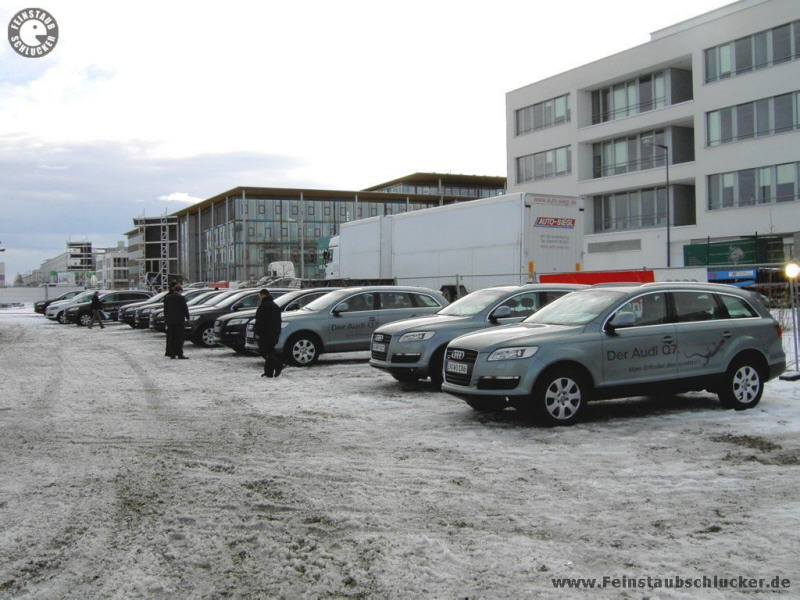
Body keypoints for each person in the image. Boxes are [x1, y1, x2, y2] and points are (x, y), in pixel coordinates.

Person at [254, 289, 284, 377]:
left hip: (265, 333)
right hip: (274, 333)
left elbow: (260, 321)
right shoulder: (275, 305)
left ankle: (278, 365)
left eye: (260, 296)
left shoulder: (264, 306)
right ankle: (268, 372)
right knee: (269, 351)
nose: (259, 298)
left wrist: (257, 333)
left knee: (264, 351)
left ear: (263, 295)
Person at [163, 284, 190, 359]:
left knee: (172, 337)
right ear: (179, 290)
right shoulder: (181, 298)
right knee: (179, 338)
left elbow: (165, 310)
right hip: (179, 321)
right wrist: (188, 317)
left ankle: (172, 354)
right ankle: (180, 354)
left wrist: (166, 319)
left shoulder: (168, 298)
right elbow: (185, 308)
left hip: (170, 320)